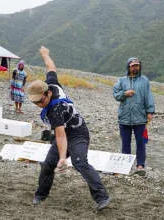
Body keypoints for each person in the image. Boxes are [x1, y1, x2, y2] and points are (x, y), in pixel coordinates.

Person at [26, 46, 111, 210]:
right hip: (64, 134)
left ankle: (102, 197)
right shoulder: (51, 84)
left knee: (80, 162)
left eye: (40, 101)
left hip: (78, 134)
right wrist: (45, 55)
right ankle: (40, 195)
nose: (38, 105)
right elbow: (51, 67)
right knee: (47, 165)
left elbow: (60, 136)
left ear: (47, 94)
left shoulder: (55, 110)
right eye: (35, 102)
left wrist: (63, 157)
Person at [113, 57, 155, 176]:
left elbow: (148, 96)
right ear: (128, 67)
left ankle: (140, 165)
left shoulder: (144, 80)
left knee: (140, 142)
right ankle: (126, 165)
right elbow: (115, 94)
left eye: (137, 65)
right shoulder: (122, 81)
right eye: (133, 66)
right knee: (125, 143)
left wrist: (150, 111)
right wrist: (124, 94)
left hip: (140, 118)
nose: (135, 67)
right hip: (124, 118)